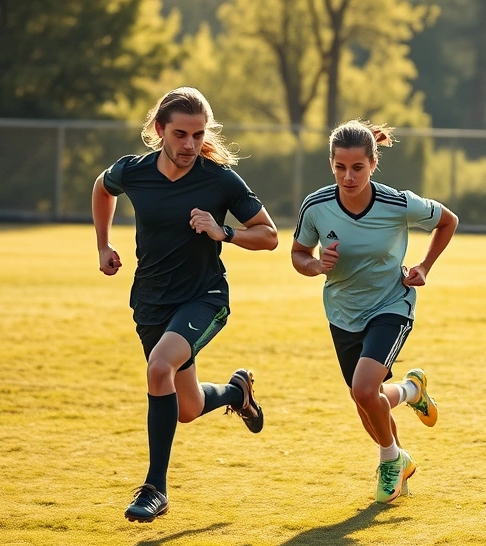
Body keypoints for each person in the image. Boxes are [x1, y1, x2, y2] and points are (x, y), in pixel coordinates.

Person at [92, 87, 279, 523]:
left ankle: (155, 489)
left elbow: (269, 235)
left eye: (198, 135)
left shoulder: (220, 180)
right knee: (188, 408)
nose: (190, 144)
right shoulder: (133, 171)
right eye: (180, 134)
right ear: (160, 130)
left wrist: (224, 232)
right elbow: (102, 189)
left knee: (160, 367)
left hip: (204, 298)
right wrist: (103, 244)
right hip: (151, 301)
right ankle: (237, 392)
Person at [291, 119, 458, 504]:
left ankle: (390, 460)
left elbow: (448, 221)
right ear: (331, 164)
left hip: (391, 305)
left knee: (364, 389)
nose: (348, 177)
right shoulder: (316, 206)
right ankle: (411, 392)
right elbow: (298, 253)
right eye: (340, 167)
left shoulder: (396, 203)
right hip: (342, 311)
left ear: (373, 163)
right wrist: (315, 265)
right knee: (366, 399)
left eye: (357, 167)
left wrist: (424, 266)